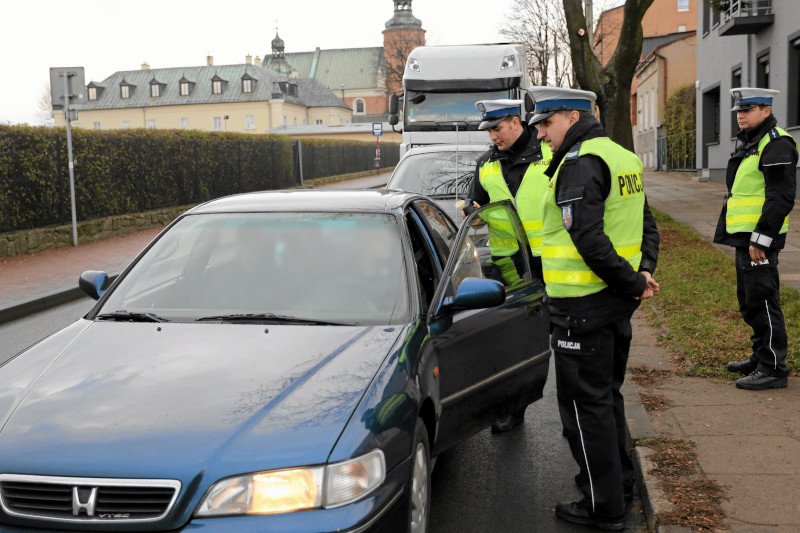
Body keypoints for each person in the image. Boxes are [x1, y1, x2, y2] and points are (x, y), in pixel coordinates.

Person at [529, 86, 660, 530]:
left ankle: (603, 508)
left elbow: (588, 239)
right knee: (606, 399)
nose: (542, 134)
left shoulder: (580, 163)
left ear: (570, 115)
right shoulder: (623, 157)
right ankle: (618, 487)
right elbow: (647, 224)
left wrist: (632, 282)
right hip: (613, 306)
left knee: (584, 412)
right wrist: (640, 276)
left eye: (546, 124)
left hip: (582, 309)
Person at [465, 98, 553, 432]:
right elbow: (475, 206)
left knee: (561, 340)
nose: (492, 137)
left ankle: (577, 411)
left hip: (552, 263)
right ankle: (513, 409)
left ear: (516, 122)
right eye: (488, 131)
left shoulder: (549, 153)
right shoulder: (485, 164)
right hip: (509, 267)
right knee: (513, 344)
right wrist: (471, 213)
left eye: (497, 128)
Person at [715, 87, 798, 390]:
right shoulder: (754, 142)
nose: (741, 116)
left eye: (747, 110)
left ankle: (774, 368)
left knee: (763, 302)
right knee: (751, 302)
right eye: (739, 111)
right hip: (746, 239)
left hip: (758, 241)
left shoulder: (775, 144)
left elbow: (782, 196)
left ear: (766, 111)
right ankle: (761, 356)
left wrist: (761, 238)